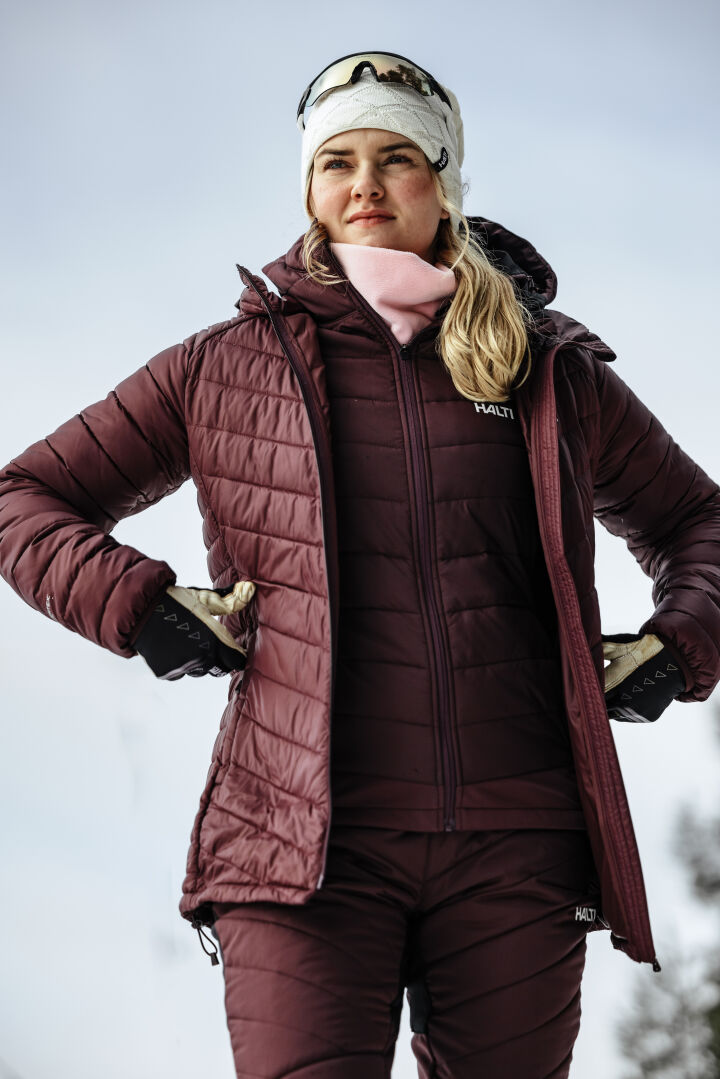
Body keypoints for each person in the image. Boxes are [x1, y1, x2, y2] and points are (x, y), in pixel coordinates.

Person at [1, 50, 719, 1079]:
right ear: (309, 186)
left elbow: (699, 518)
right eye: (337, 161)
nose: (366, 185)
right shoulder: (224, 365)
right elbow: (23, 498)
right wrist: (137, 602)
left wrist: (680, 641)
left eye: (398, 158)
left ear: (446, 182)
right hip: (300, 848)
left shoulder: (543, 365)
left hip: (516, 841)